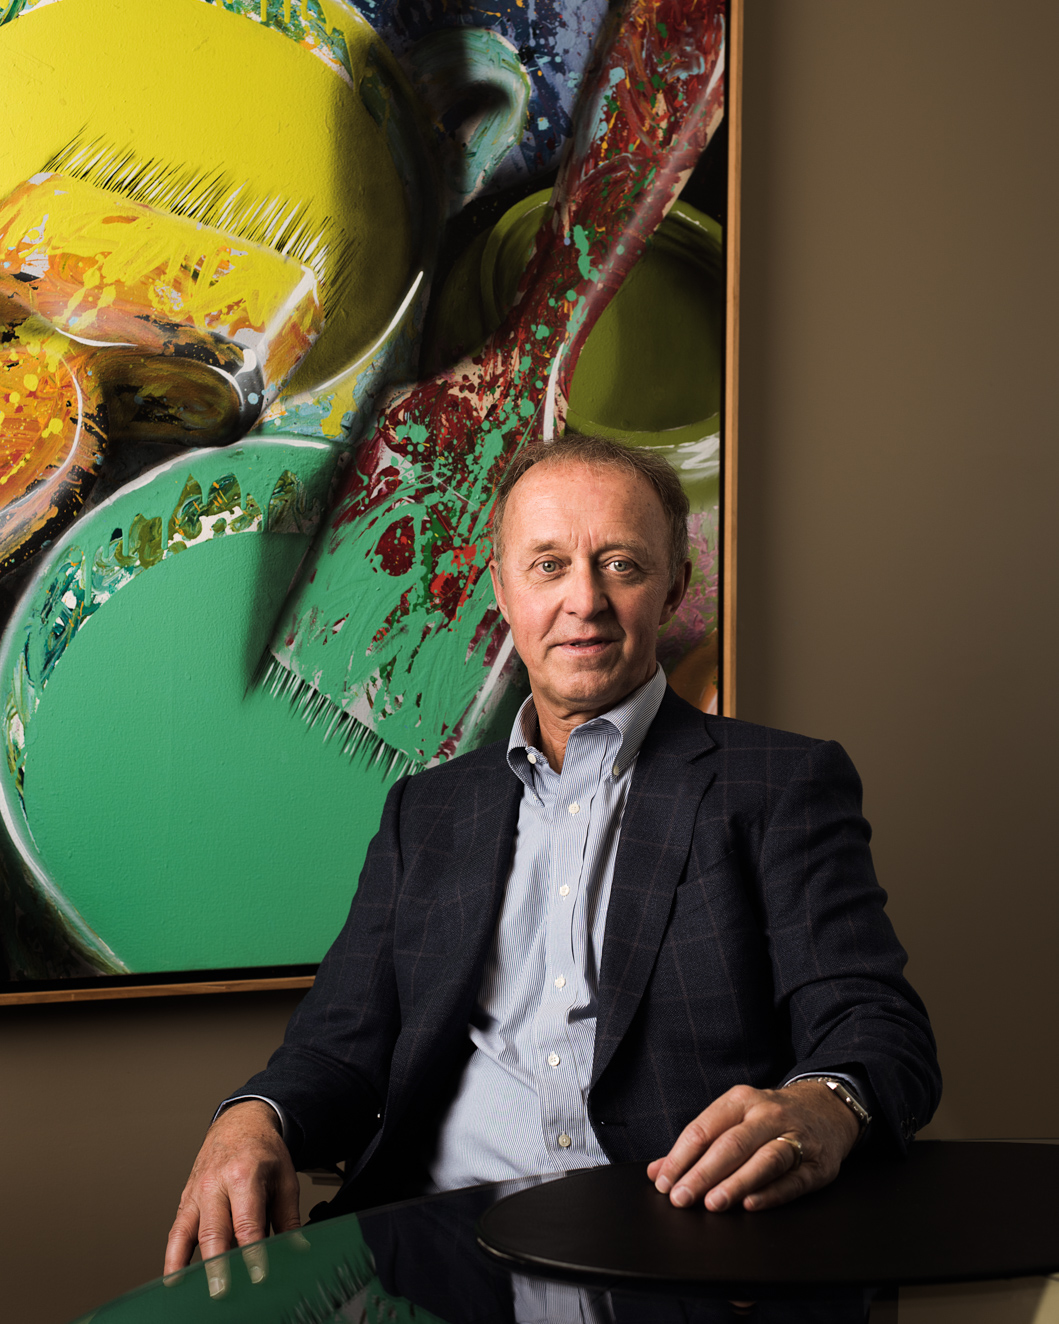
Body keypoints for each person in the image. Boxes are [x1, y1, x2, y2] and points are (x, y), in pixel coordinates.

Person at [165, 434, 940, 1279]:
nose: (584, 601)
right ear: (501, 589)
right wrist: (251, 1116)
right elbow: (334, 1049)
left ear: (673, 589)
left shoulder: (779, 783)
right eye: (547, 566)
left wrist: (823, 1103)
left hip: (682, 1253)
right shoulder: (425, 812)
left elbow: (875, 1025)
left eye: (620, 565)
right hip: (434, 1256)